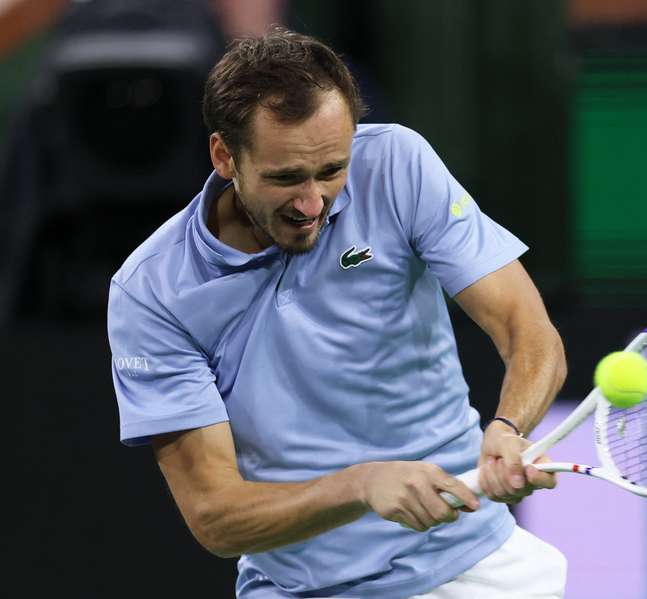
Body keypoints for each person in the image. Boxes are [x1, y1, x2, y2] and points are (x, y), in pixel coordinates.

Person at [108, 26, 568, 598]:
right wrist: (361, 486)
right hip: (302, 588)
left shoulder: (399, 164)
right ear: (224, 154)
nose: (311, 204)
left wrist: (509, 425)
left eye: (331, 171)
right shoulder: (150, 291)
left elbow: (528, 330)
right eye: (285, 178)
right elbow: (216, 516)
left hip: (471, 568)